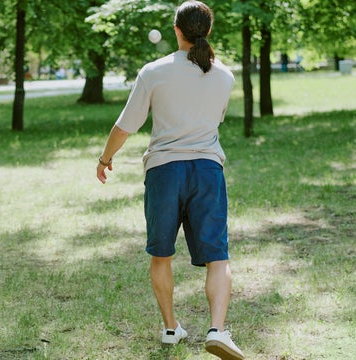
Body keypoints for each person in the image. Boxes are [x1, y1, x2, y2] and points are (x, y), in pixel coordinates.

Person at [96, 2, 244, 359]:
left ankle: (170, 328)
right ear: (208, 31)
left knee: (161, 255)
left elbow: (125, 125)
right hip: (207, 170)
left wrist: (105, 159)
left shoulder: (154, 71)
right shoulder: (224, 75)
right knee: (217, 257)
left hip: (164, 170)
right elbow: (216, 119)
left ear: (177, 30)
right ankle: (218, 330)